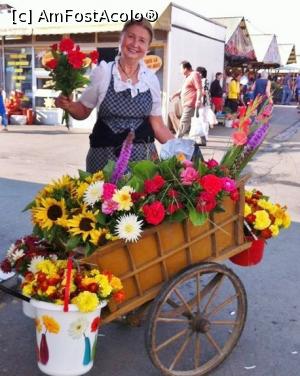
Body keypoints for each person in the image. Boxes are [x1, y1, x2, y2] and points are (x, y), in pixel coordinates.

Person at [55, 19, 174, 173]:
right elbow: (83, 110)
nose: (135, 44)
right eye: (131, 36)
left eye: (142, 40)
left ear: (147, 47)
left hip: (143, 162)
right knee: (101, 196)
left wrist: (181, 149)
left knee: (143, 196)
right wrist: (69, 105)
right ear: (121, 38)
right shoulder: (104, 72)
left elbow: (158, 125)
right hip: (104, 159)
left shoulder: (150, 80)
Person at [170, 61, 202, 139]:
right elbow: (182, 89)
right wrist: (173, 95)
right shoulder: (188, 77)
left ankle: (177, 138)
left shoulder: (195, 74)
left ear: (185, 69)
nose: (180, 71)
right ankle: (201, 138)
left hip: (190, 103)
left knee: (184, 121)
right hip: (187, 103)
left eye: (181, 69)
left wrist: (198, 100)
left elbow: (199, 89)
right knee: (194, 122)